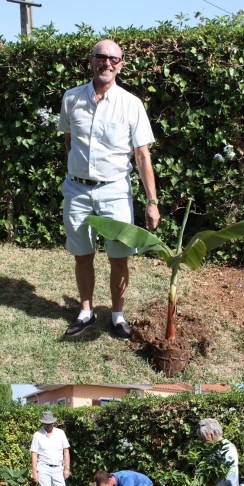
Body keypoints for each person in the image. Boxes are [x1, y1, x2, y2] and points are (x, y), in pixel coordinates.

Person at [58, 39, 160, 339]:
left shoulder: (131, 104)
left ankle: (117, 316)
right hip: (77, 191)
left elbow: (142, 155)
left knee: (119, 257)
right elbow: (68, 142)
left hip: (115, 190)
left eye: (113, 59)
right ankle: (86, 312)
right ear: (91, 61)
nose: (107, 63)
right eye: (101, 57)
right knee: (82, 255)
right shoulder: (71, 98)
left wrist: (152, 201)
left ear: (121, 64)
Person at [30, 411, 77, 486]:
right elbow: (34, 454)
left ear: (53, 422)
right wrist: (34, 472)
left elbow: (66, 451)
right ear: (43, 423)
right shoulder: (37, 435)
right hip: (43, 468)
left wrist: (67, 468)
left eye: (50, 423)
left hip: (58, 468)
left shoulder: (60, 433)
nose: (48, 425)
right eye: (46, 423)